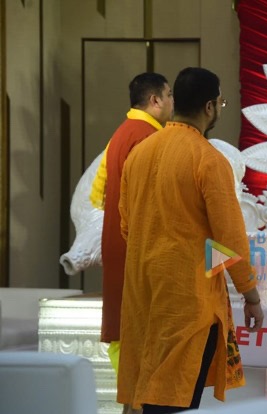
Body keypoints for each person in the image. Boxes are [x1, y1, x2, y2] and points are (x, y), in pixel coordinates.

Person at [116, 67, 264, 413]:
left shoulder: (139, 154)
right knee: (174, 398)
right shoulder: (208, 160)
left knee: (149, 393)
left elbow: (127, 225)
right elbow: (227, 242)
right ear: (210, 106)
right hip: (187, 301)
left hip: (144, 296)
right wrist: (250, 294)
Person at [89, 72, 173, 414]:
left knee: (127, 334)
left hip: (117, 245)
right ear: (154, 100)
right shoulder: (151, 138)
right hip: (141, 249)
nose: (171, 103)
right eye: (168, 96)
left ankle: (130, 404)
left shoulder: (120, 135)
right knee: (143, 336)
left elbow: (97, 194)